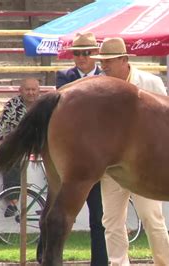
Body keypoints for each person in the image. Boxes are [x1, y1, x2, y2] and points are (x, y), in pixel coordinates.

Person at [90, 37, 169, 266]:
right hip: (112, 168)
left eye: (108, 60)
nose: (104, 65)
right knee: (111, 222)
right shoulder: (97, 87)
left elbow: (167, 123)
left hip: (145, 167)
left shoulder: (151, 83)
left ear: (124, 60)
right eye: (102, 60)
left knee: (152, 218)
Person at [36, 32, 108, 266]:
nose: (81, 58)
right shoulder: (64, 77)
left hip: (98, 154)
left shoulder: (105, 78)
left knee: (98, 215)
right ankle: (44, 255)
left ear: (94, 54)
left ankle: (100, 261)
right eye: (77, 53)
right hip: (71, 151)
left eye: (86, 53)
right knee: (54, 206)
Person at [0, 77, 40, 217]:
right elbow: (2, 128)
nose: (31, 93)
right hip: (18, 143)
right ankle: (12, 203)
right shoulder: (12, 105)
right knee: (11, 159)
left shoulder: (44, 104)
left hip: (41, 142)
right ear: (21, 90)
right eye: (27, 89)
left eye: (34, 90)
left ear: (38, 91)